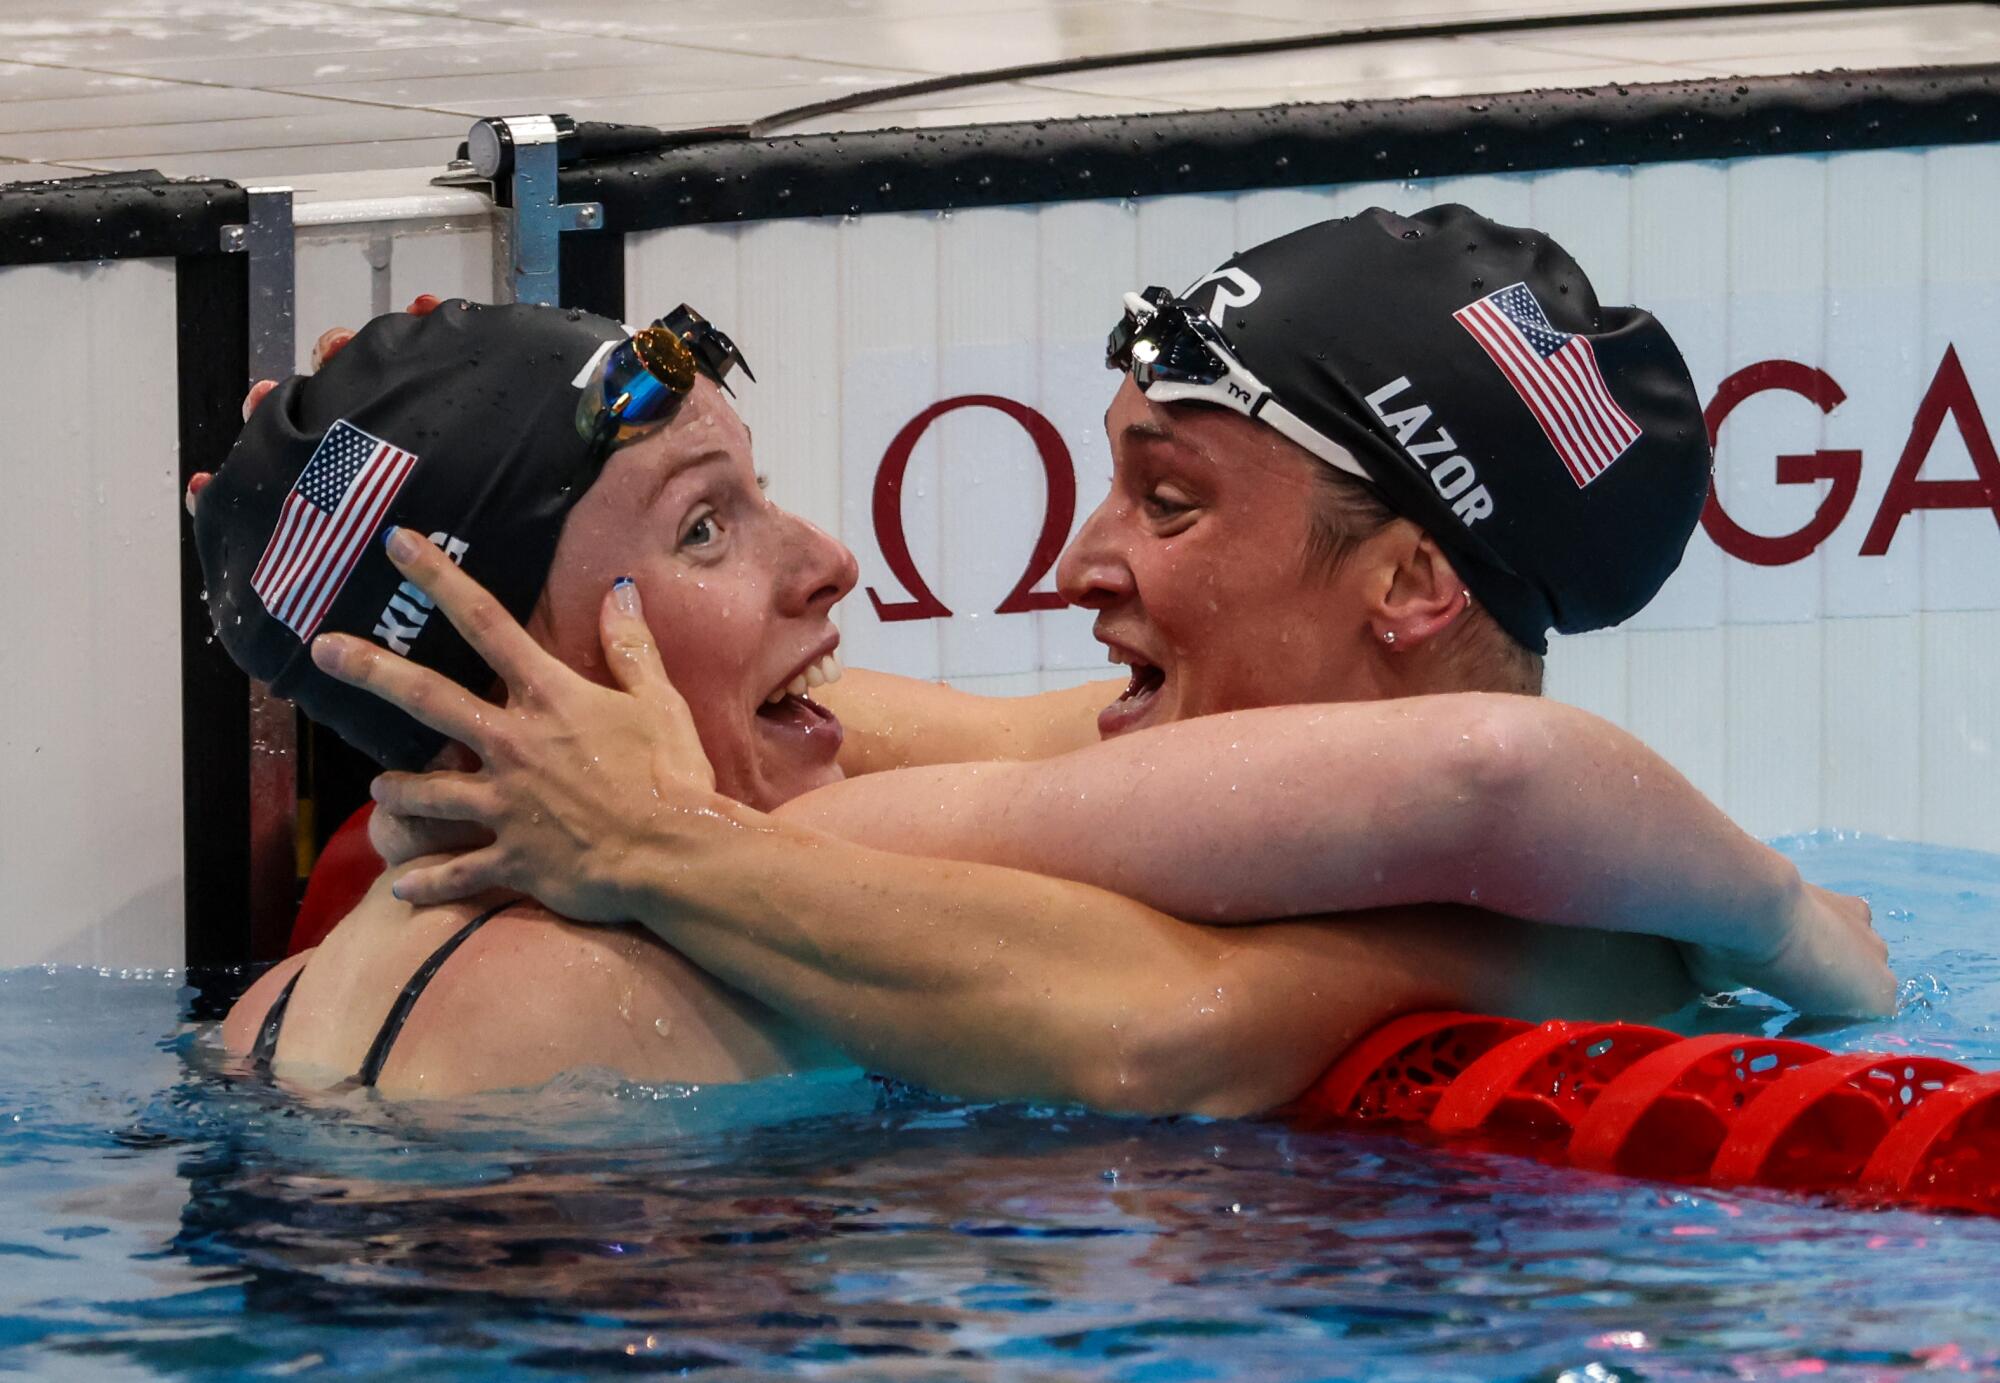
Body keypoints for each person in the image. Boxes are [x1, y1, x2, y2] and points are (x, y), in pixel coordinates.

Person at [206, 207, 1889, 1110]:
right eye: (705, 530)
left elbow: (1062, 763)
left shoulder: (341, 970)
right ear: (526, 659)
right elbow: (1456, 801)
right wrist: (1763, 939)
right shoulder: (715, 883)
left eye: (1167, 498)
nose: (831, 562)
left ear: (1412, 580)